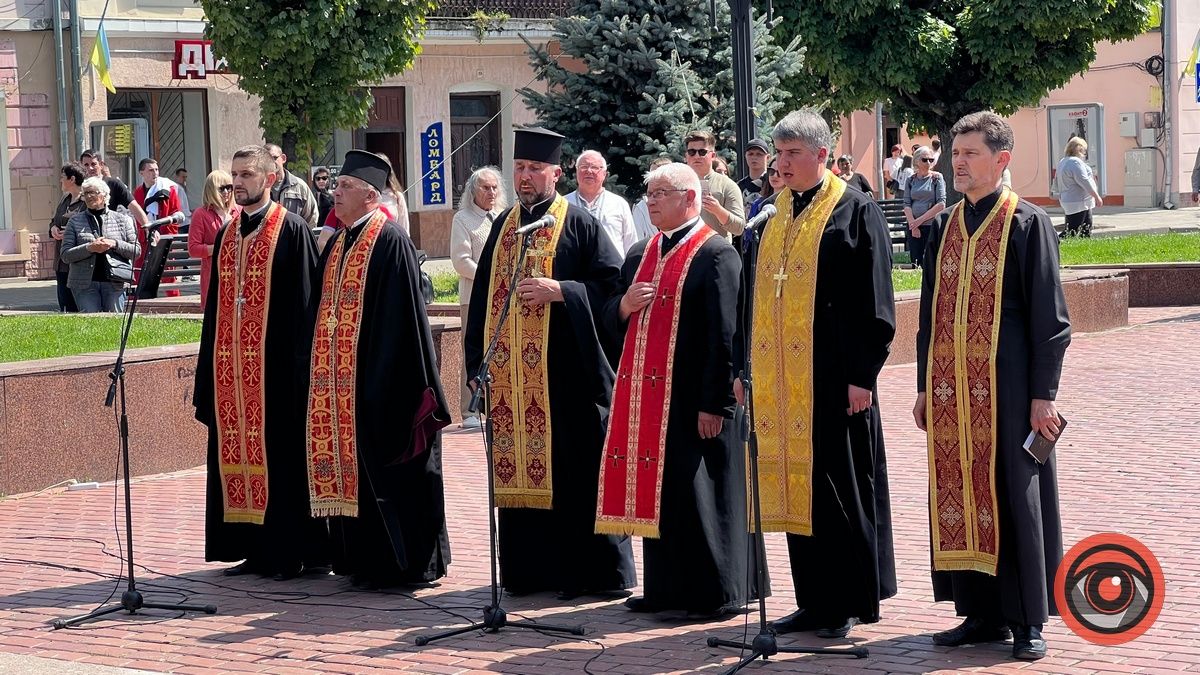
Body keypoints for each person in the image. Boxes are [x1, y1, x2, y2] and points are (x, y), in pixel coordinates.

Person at [914, 111, 1071, 662]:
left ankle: (1028, 619)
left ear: (1002, 160)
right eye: (955, 153)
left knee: (1014, 499)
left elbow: (1052, 321)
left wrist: (1042, 395)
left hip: (1008, 394)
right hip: (952, 392)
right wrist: (921, 387)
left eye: (971, 153)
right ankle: (979, 612)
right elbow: (929, 316)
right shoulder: (944, 227)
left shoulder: (1027, 224)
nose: (958, 163)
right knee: (960, 494)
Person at [465, 126, 636, 598]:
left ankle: (590, 575)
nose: (525, 177)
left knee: (574, 475)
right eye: (519, 168)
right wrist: (477, 368)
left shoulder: (578, 223)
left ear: (555, 174)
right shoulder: (502, 227)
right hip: (509, 383)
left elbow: (611, 289)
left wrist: (564, 292)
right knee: (516, 475)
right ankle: (531, 572)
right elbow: (482, 302)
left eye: (534, 169)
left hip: (566, 381)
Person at [744, 109, 897, 640]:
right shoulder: (773, 212)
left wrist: (863, 375)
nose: (781, 164)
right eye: (778, 154)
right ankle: (812, 599)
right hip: (782, 380)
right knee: (796, 492)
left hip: (836, 380)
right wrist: (747, 367)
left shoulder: (854, 210)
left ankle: (850, 601)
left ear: (821, 156)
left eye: (791, 155)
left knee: (840, 490)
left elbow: (875, 302)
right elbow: (753, 297)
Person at [600, 162, 757, 620]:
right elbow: (611, 312)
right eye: (648, 194)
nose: (651, 201)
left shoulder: (715, 253)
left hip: (696, 400)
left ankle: (715, 592)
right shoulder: (640, 252)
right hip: (649, 402)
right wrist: (623, 307)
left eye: (661, 193)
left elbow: (726, 335)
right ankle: (666, 588)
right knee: (663, 495)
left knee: (701, 496)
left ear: (690, 198)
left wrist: (716, 404)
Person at [304, 150, 451, 588]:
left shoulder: (389, 240)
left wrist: (377, 379)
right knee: (356, 477)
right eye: (337, 185)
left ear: (372, 196)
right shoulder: (337, 241)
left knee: (396, 475)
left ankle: (405, 566)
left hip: (385, 383)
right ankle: (363, 561)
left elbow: (402, 320)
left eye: (345, 187)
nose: (336, 192)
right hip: (340, 383)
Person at [193, 144, 327, 580]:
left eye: (247, 175)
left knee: (281, 461)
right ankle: (252, 547)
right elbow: (215, 309)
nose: (238, 183)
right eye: (234, 175)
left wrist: (301, 374)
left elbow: (307, 308)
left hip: (276, 376)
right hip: (232, 374)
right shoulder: (229, 235)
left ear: (270, 179)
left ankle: (289, 551)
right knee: (239, 457)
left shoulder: (291, 230)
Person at [451, 166, 506, 430]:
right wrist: (490, 279)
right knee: (471, 351)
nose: (491, 192)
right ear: (473, 190)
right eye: (485, 187)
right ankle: (469, 411)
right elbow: (461, 262)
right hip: (473, 298)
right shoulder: (463, 219)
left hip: (501, 299)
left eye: (494, 187)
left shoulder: (502, 217)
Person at [61, 177, 141, 313]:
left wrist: (114, 244)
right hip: (84, 284)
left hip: (115, 283)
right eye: (86, 193)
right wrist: (89, 248)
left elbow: (136, 251)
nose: (90, 196)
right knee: (91, 325)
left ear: (105, 195)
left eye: (94, 192)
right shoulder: (74, 221)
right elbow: (65, 255)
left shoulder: (122, 220)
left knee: (114, 324)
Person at [566, 150, 638, 257]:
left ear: (604, 174)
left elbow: (631, 245)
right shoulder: (564, 203)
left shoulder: (618, 204)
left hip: (612, 271)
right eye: (584, 166)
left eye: (594, 167)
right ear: (576, 171)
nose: (589, 171)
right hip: (573, 270)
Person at [187, 170, 240, 311]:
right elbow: (193, 249)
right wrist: (220, 247)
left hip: (239, 276)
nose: (227, 192)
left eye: (230, 187)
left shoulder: (240, 211)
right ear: (211, 190)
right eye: (222, 188)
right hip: (213, 276)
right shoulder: (201, 214)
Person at [132, 158, 184, 294]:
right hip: (144, 239)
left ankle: (175, 304)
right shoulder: (137, 193)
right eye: (150, 170)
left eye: (156, 169)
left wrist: (166, 236)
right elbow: (136, 218)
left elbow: (175, 215)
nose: (155, 173)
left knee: (168, 276)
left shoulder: (168, 190)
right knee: (139, 274)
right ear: (141, 173)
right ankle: (139, 304)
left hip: (164, 238)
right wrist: (144, 234)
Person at [683, 130, 746, 239]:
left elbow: (739, 228)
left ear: (712, 155)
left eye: (702, 152)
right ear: (686, 156)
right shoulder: (677, 184)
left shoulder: (727, 185)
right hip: (684, 250)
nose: (697, 156)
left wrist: (718, 210)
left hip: (715, 251)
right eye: (692, 152)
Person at [49, 162, 88, 312]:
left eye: (62, 177)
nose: (60, 180)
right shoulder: (64, 200)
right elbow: (54, 220)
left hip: (76, 261)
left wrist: (71, 232)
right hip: (60, 261)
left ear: (72, 179)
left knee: (76, 306)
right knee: (64, 305)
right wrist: (53, 228)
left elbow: (91, 225)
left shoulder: (85, 201)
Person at [79, 149, 149, 227]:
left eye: (93, 164)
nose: (90, 168)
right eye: (86, 165)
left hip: (109, 231)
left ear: (101, 164)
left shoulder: (114, 184)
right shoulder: (80, 186)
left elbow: (134, 207)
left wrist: (148, 228)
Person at [903, 146, 947, 267]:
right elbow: (906, 203)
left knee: (931, 261)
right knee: (916, 261)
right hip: (913, 226)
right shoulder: (910, 180)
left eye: (931, 160)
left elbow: (941, 204)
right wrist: (913, 225)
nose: (928, 162)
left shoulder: (937, 178)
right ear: (917, 161)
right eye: (924, 160)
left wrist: (919, 221)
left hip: (931, 225)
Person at [1056, 137, 1102, 238]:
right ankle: (1055, 244)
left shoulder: (1064, 161)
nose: (1085, 154)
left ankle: (1084, 246)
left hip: (1076, 201)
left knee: (1086, 228)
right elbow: (1084, 181)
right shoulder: (1075, 162)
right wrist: (1096, 196)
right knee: (1072, 230)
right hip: (1078, 201)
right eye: (1084, 150)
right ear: (1080, 149)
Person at [265, 143, 319, 227]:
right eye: (267, 160)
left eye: (274, 158)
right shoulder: (259, 187)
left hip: (294, 238)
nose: (271, 162)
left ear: (283, 158)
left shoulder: (299, 186)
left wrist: (302, 237)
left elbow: (312, 218)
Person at [631, 156, 672, 240]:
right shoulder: (641, 208)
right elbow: (636, 241)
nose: (654, 180)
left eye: (659, 175)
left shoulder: (678, 202)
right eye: (651, 175)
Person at [736, 139, 771, 204]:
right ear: (745, 156)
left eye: (759, 154)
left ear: (768, 157)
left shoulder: (773, 182)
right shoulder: (739, 186)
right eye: (750, 154)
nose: (754, 157)